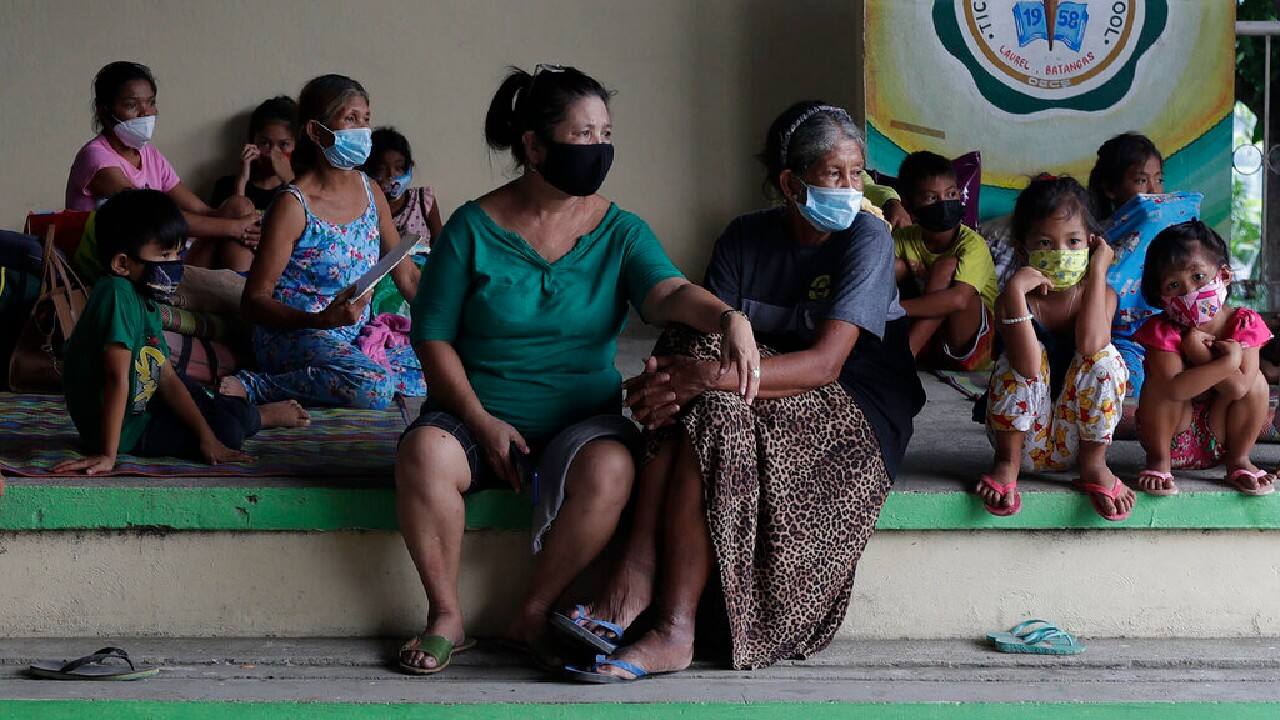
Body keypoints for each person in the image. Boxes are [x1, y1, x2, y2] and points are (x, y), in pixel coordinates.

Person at [393, 65, 760, 676]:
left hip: (580, 420)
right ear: (534, 146)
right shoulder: (471, 228)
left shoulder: (620, 230)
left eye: (605, 134)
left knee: (615, 467)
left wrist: (727, 318)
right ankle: (446, 619)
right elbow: (431, 336)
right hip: (473, 413)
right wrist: (481, 422)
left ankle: (533, 612)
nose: (598, 149)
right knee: (423, 456)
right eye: (582, 135)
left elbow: (667, 292)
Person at [561, 101, 925, 681]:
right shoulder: (742, 237)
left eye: (857, 174)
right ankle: (662, 616)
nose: (852, 189)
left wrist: (702, 379)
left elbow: (828, 364)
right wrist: (692, 376)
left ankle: (649, 598)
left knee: (710, 397)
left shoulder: (867, 238)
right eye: (835, 174)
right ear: (789, 182)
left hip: (855, 399)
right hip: (753, 383)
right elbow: (702, 340)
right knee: (704, 375)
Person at [52, 190, 309, 475]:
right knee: (229, 432)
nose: (174, 263)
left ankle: (237, 411)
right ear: (122, 263)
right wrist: (107, 455)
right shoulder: (115, 294)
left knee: (200, 402)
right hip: (126, 430)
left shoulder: (144, 298)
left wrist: (206, 439)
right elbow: (116, 378)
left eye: (177, 252)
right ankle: (259, 416)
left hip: (146, 402)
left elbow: (167, 376)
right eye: (164, 254)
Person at [223, 74, 426, 409]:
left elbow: (407, 275)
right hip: (296, 334)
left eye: (366, 119)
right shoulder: (293, 205)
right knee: (374, 387)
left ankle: (342, 367)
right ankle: (259, 386)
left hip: (350, 333)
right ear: (316, 132)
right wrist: (318, 321)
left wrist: (448, 330)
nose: (362, 130)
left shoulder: (370, 190)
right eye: (350, 118)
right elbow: (253, 301)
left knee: (435, 364)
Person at [976, 176, 1133, 521]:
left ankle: (1095, 466)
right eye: (1046, 243)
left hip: (1078, 442)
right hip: (1023, 441)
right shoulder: (1011, 301)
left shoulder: (1102, 295)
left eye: (1074, 242)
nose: (1061, 253)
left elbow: (1091, 345)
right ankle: (1006, 466)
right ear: (1023, 250)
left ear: (1091, 245)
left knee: (1106, 359)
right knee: (1020, 360)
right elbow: (1028, 369)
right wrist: (1016, 294)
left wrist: (1097, 271)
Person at [66, 61, 262, 276]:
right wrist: (235, 228)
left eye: (150, 103)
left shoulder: (149, 154)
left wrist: (244, 220)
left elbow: (205, 212)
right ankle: (242, 296)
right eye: (132, 105)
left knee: (238, 205)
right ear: (104, 111)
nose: (145, 113)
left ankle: (241, 295)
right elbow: (153, 219)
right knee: (233, 224)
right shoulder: (96, 158)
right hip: (122, 265)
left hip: (161, 255)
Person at [1133, 220, 1275, 496]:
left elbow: (1239, 388)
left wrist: (1200, 352)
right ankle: (1159, 462)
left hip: (1223, 437)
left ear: (1223, 276)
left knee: (1256, 382)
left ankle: (1239, 461)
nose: (1188, 291)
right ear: (1162, 296)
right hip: (1173, 436)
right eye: (1174, 284)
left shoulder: (1244, 323)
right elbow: (1174, 389)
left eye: (1198, 277)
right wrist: (1225, 361)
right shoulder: (1163, 330)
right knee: (1159, 385)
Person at [892, 150, 998, 369]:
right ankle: (904, 352)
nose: (944, 203)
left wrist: (894, 308)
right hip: (933, 342)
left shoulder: (971, 244)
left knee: (946, 267)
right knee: (894, 267)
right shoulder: (903, 239)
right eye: (932, 198)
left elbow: (959, 300)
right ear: (909, 207)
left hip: (974, 346)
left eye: (951, 194)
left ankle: (904, 357)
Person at [1087, 132, 1167, 396]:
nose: (1154, 191)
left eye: (1159, 179)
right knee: (1126, 386)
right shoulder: (1094, 238)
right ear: (1111, 188)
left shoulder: (1171, 231)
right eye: (1141, 180)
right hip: (1120, 337)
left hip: (1167, 332)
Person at [359, 127, 443, 316]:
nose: (391, 176)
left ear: (409, 167)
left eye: (399, 168)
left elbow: (441, 246)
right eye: (382, 169)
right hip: (386, 278)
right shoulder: (368, 208)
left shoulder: (424, 200)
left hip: (422, 272)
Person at [210, 96, 298, 212]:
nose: (272, 154)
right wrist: (241, 182)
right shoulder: (226, 187)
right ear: (252, 142)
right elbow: (231, 226)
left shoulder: (307, 189)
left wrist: (290, 181)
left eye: (284, 144)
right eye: (265, 143)